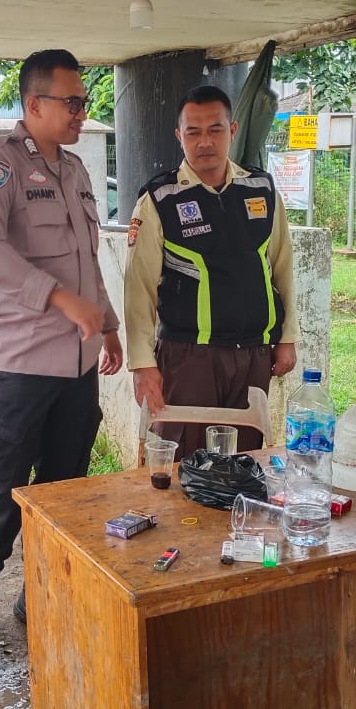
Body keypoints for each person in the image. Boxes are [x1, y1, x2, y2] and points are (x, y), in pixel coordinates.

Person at [0, 49, 122, 683]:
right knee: (0, 491)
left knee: (62, 492)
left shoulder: (75, 170)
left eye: (84, 102)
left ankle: (42, 593)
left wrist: (107, 323)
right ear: (34, 104)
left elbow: (87, 260)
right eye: (71, 102)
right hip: (17, 365)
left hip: (76, 366)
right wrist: (59, 300)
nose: (81, 112)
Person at [124, 84, 297, 456]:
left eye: (215, 130)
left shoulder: (261, 189)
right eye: (193, 132)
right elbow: (139, 288)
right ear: (179, 136)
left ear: (232, 130)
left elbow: (283, 267)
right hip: (189, 358)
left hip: (254, 356)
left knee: (243, 461)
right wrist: (142, 364)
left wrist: (287, 337)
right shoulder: (160, 198)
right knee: (185, 462)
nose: (205, 142)